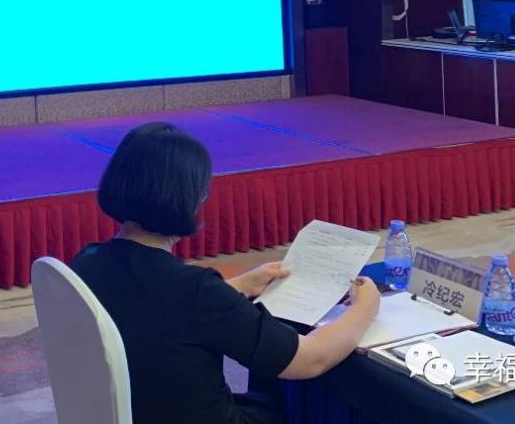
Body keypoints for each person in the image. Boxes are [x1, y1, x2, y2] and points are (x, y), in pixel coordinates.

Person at [72, 122, 379, 424]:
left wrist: (239, 285)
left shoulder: (86, 262)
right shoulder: (195, 291)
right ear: (188, 199)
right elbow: (310, 359)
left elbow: (154, 310)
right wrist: (365, 307)